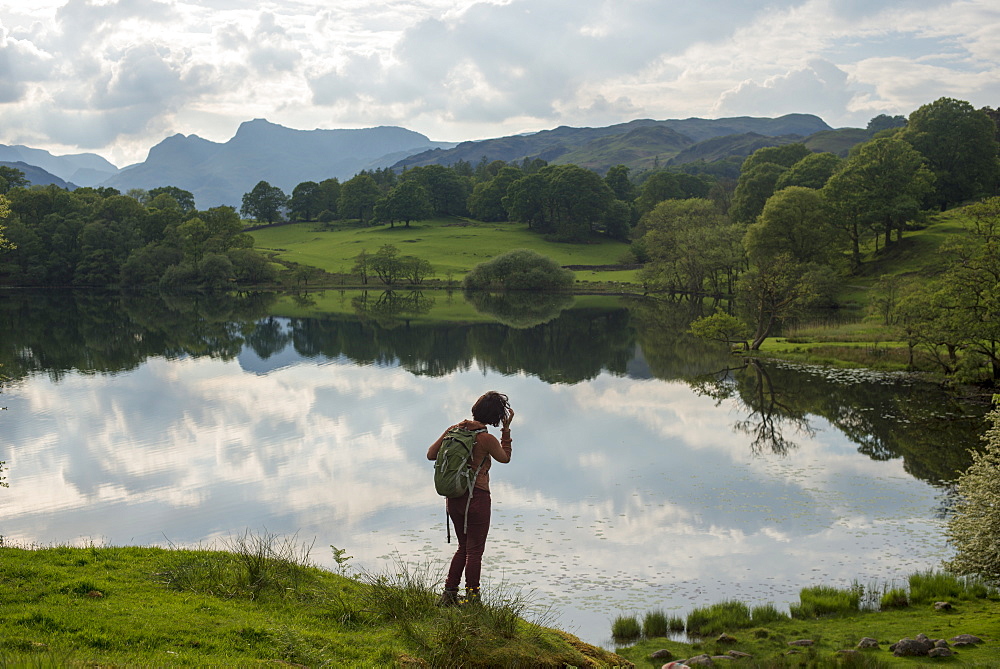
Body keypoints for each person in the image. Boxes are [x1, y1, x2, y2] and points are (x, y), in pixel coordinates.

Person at [427, 390, 514, 605]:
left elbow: (430, 454)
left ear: (475, 409)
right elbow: (505, 459)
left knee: (463, 547)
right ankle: (473, 599)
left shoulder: (453, 430)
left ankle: (449, 594)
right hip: (477, 499)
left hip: (454, 498)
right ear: (496, 417)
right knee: (475, 550)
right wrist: (506, 430)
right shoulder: (486, 439)